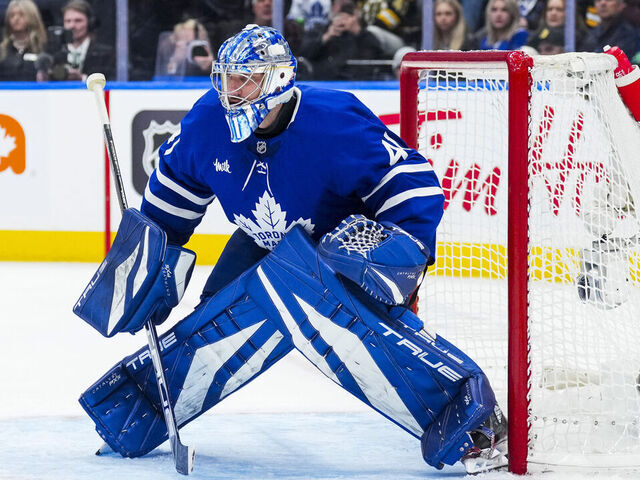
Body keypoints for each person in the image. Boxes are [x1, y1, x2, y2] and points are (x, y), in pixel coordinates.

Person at [77, 24, 508, 474]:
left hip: (336, 253)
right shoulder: (208, 121)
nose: (232, 90)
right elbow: (173, 193)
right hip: (260, 239)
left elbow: (410, 184)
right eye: (227, 77)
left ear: (280, 79)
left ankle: (470, 421)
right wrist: (146, 263)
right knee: (214, 322)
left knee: (340, 319)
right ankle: (138, 411)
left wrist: (403, 250)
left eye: (247, 78)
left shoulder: (335, 121)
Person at [298, 1, 384, 80]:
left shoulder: (365, 36)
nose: (342, 15)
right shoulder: (319, 30)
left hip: (355, 82)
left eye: (347, 13)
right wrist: (327, 36)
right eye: (338, 7)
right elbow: (304, 53)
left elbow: (373, 60)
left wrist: (356, 32)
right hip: (323, 80)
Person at [45, 0, 114, 81]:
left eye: (78, 21)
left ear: (90, 23)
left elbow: (114, 82)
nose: (72, 26)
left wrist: (83, 78)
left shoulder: (105, 54)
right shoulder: (54, 54)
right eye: (68, 21)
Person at [0, 0, 47, 81]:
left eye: (21, 15)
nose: (16, 19)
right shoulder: (2, 50)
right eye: (12, 15)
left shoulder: (43, 46)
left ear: (32, 17)